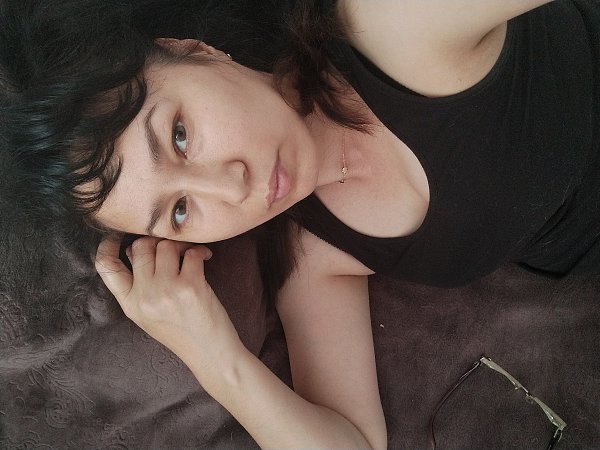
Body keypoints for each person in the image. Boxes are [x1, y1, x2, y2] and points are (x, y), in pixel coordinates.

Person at [2, 0, 599, 447]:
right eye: (179, 211)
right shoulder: (313, 254)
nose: (232, 187)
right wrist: (212, 354)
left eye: (180, 136)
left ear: (195, 50)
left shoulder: (388, 25)